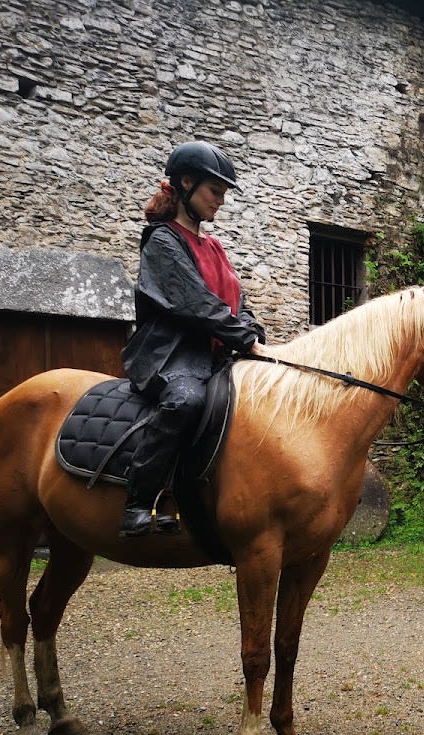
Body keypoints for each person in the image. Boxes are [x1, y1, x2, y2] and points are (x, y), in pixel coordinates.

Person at [119, 140, 267, 537]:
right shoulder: (162, 241)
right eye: (214, 192)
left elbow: (236, 298)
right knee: (186, 401)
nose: (220, 201)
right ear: (185, 184)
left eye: (222, 194)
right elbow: (195, 303)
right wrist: (245, 340)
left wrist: (251, 329)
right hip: (172, 354)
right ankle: (138, 502)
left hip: (217, 352)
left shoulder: (214, 245)